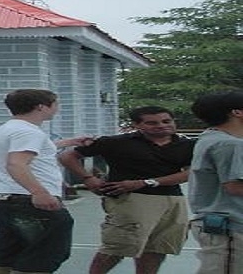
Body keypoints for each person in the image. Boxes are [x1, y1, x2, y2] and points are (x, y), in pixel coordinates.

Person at [57, 106, 194, 274]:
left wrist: (146, 182)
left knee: (158, 248)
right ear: (137, 125)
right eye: (152, 123)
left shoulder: (187, 145)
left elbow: (190, 173)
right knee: (117, 247)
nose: (161, 126)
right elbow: (67, 156)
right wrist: (88, 178)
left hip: (173, 200)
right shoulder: (116, 142)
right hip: (130, 201)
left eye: (166, 121)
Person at [0, 88, 91, 274]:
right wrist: (39, 192)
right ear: (41, 107)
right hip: (28, 199)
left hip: (5, 197)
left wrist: (70, 142)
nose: (57, 108)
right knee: (47, 250)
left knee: (10, 248)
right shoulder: (29, 132)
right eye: (55, 104)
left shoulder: (8, 129)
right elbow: (16, 163)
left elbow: (35, 151)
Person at [187, 90, 243, 274]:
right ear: (237, 112)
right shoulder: (230, 144)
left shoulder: (211, 137)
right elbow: (234, 186)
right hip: (230, 226)